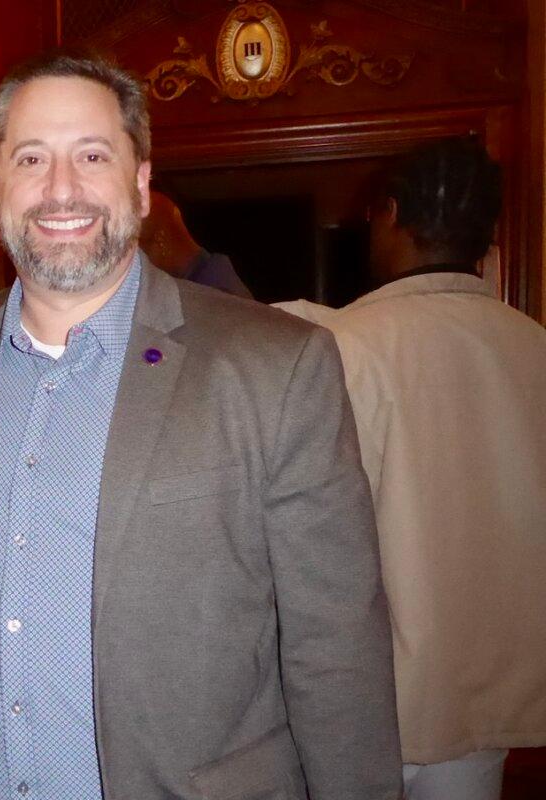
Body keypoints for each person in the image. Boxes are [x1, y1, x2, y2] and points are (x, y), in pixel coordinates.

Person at [0, 50, 401, 799]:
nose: (61, 188)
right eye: (32, 158)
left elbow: (337, 650)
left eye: (93, 155)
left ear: (141, 185)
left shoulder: (277, 366)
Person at [286, 138, 546, 800]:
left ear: (391, 213)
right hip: (490, 693)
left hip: (367, 698)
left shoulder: (335, 349)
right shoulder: (534, 346)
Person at [139, 189, 253, 298]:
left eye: (136, 251)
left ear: (160, 240)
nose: (135, 266)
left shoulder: (210, 294)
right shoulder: (215, 281)